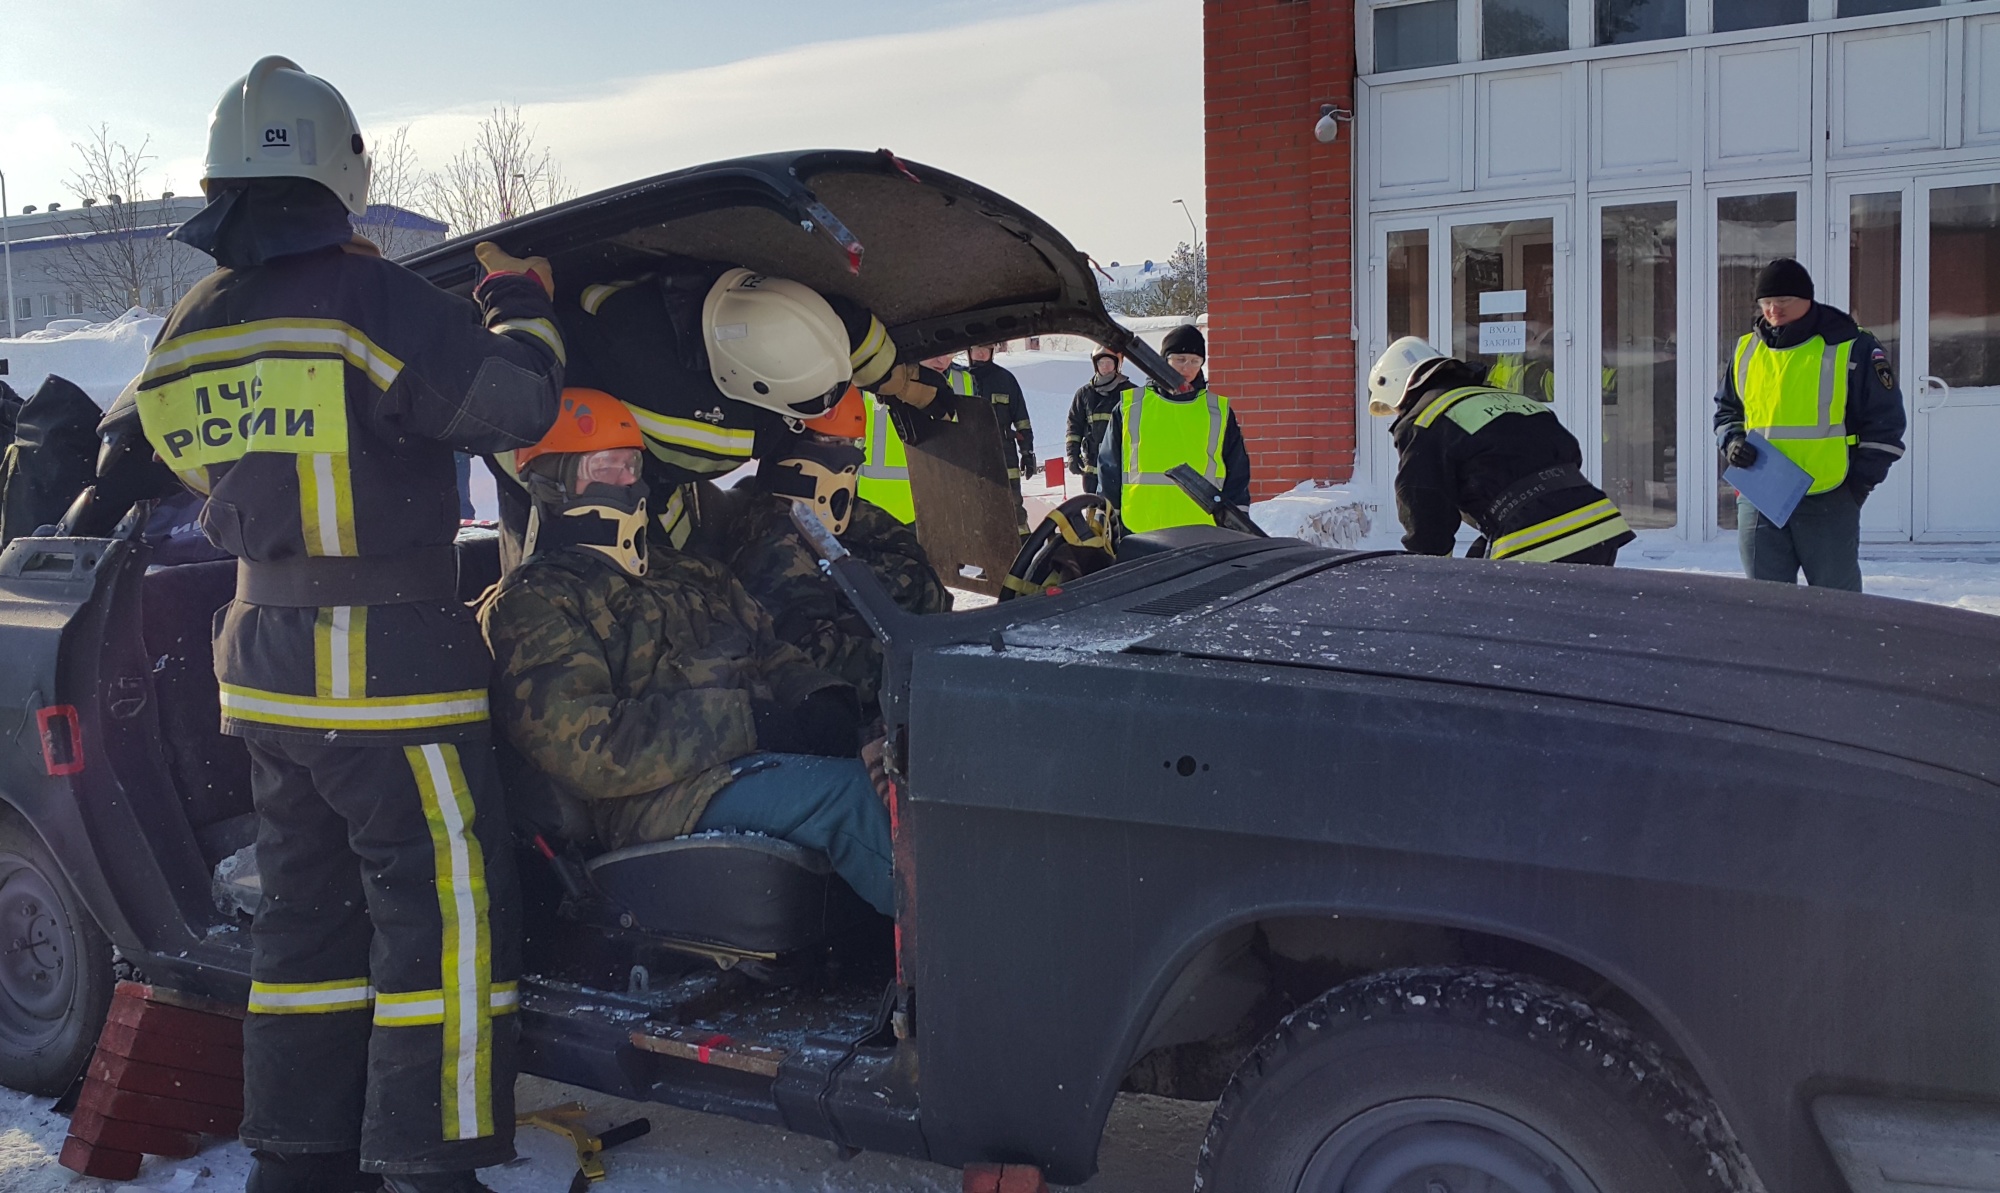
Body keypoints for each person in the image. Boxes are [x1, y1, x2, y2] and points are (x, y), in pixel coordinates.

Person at [117, 57, 564, 1193]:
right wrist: (522, 310)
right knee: (444, 918)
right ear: (341, 173)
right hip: (392, 672)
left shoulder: (190, 323)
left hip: (265, 668)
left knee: (307, 926)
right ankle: (428, 1161)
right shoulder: (372, 302)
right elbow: (517, 407)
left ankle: (299, 1158)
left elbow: (172, 450)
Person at [481, 393, 895, 918]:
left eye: (630, 464)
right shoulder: (534, 602)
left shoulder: (687, 572)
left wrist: (820, 706)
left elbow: (773, 654)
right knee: (854, 800)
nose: (626, 481)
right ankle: (972, 968)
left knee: (905, 774)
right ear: (551, 480)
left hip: (749, 764)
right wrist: (747, 722)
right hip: (657, 799)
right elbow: (586, 747)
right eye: (602, 466)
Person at [719, 398, 950, 711]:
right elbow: (812, 658)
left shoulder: (852, 517)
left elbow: (920, 570)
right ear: (792, 444)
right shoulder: (773, 544)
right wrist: (936, 670)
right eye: (832, 442)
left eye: (854, 443)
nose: (850, 455)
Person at [1715, 259, 1906, 591]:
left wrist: (1857, 486)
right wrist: (1732, 442)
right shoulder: (1748, 349)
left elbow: (1886, 423)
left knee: (1836, 608)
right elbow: (1728, 410)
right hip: (1760, 497)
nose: (1773, 309)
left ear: (1807, 298)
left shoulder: (1852, 345)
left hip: (1829, 495)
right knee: (1766, 605)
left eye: (1783, 301)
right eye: (1766, 302)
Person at [1368, 336, 1633, 564]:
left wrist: (1432, 573)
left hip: (1535, 540)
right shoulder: (1509, 398)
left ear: (1400, 391)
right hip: (1599, 526)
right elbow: (1568, 451)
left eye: (1394, 408)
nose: (1398, 414)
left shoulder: (1425, 420)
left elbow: (1424, 506)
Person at [1097, 324, 1251, 533]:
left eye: (1195, 361)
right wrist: (1107, 519)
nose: (1187, 368)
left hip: (1203, 532)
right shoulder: (1131, 406)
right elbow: (1109, 467)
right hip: (1140, 530)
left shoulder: (1217, 411)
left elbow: (1237, 472)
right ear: (1164, 360)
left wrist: (1238, 523)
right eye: (1180, 360)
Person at [967, 343, 1035, 531]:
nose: (980, 352)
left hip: (1005, 453)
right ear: (968, 351)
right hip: (971, 455)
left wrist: (1027, 452)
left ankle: (1023, 549)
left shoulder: (1006, 380)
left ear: (992, 351)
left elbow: (1022, 420)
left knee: (1012, 505)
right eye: (976, 348)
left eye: (985, 348)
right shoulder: (961, 380)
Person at [1064, 347, 1132, 495]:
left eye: (1109, 362)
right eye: (1101, 363)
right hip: (1091, 468)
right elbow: (1074, 426)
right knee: (1093, 509)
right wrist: (1072, 455)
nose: (1105, 367)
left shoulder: (1130, 392)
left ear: (1117, 364)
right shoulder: (1084, 394)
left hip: (1121, 467)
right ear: (1096, 365)